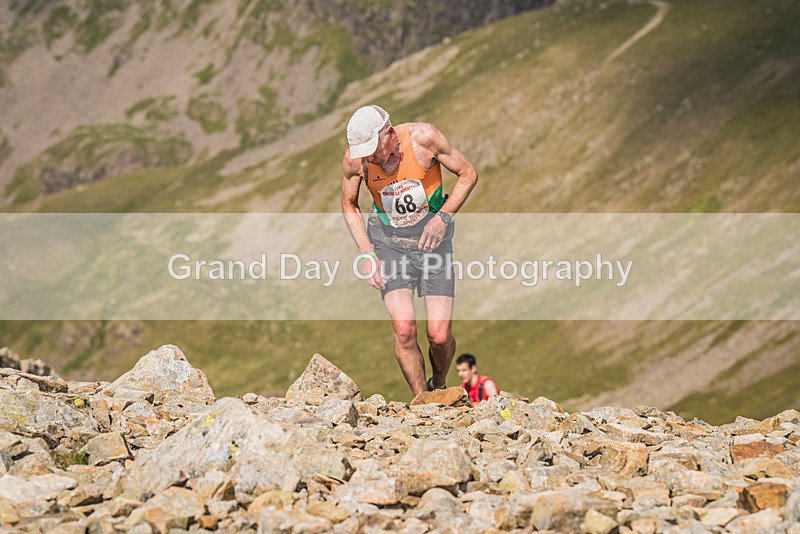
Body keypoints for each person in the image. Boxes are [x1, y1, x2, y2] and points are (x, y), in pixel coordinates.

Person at [341, 105, 478, 397]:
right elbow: (349, 204)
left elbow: (468, 174)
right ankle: (422, 401)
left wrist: (443, 217)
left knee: (438, 337)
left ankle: (438, 384)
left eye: (372, 150)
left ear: (390, 134)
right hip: (388, 243)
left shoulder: (424, 139)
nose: (368, 158)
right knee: (404, 329)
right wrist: (367, 254)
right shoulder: (356, 161)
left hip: (433, 243)